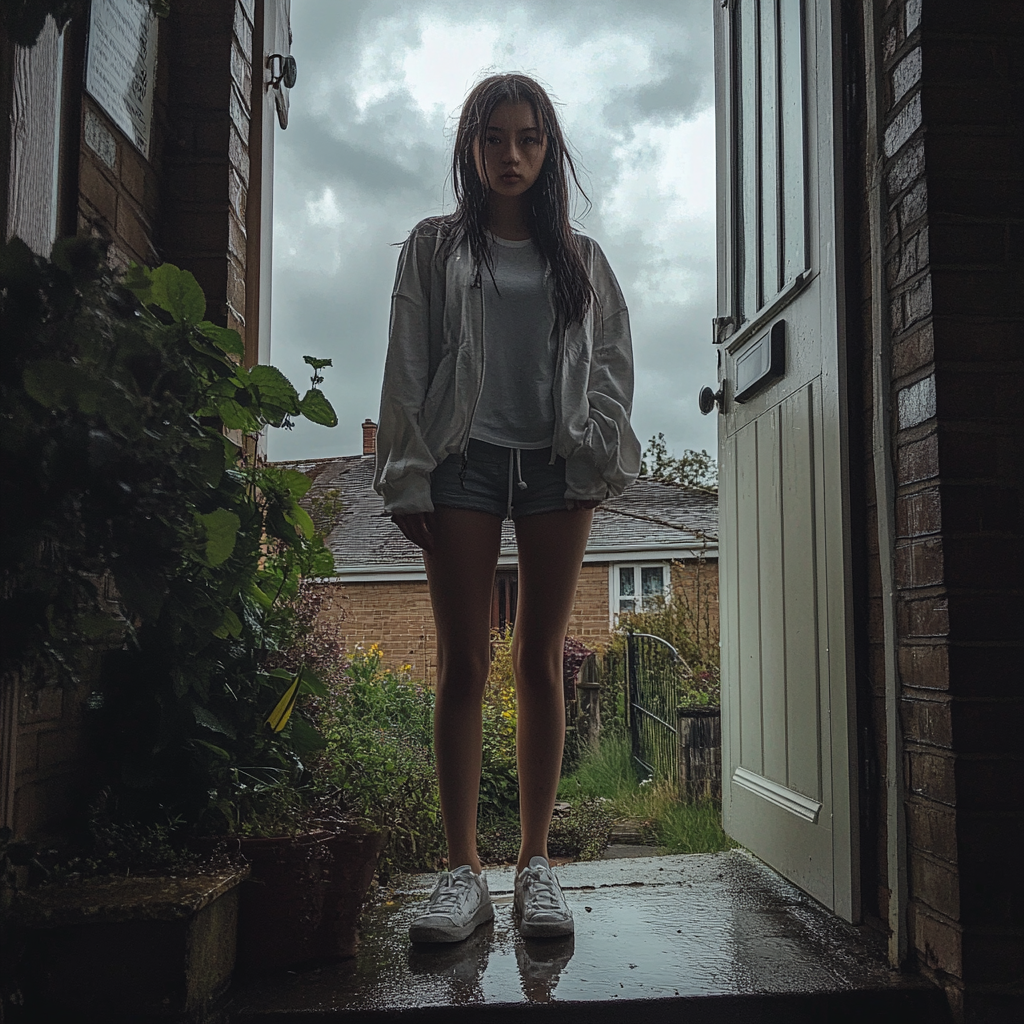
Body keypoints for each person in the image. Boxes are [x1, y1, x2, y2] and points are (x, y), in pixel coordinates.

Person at [374, 73, 640, 943]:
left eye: (529, 139)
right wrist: (407, 475)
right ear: (471, 147)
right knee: (463, 665)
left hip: (556, 467)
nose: (512, 154)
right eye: (495, 138)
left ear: (549, 149)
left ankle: (534, 869)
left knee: (537, 661)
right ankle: (463, 876)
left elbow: (610, 362)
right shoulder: (433, 247)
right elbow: (408, 358)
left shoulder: (582, 258)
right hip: (464, 463)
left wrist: (596, 444)